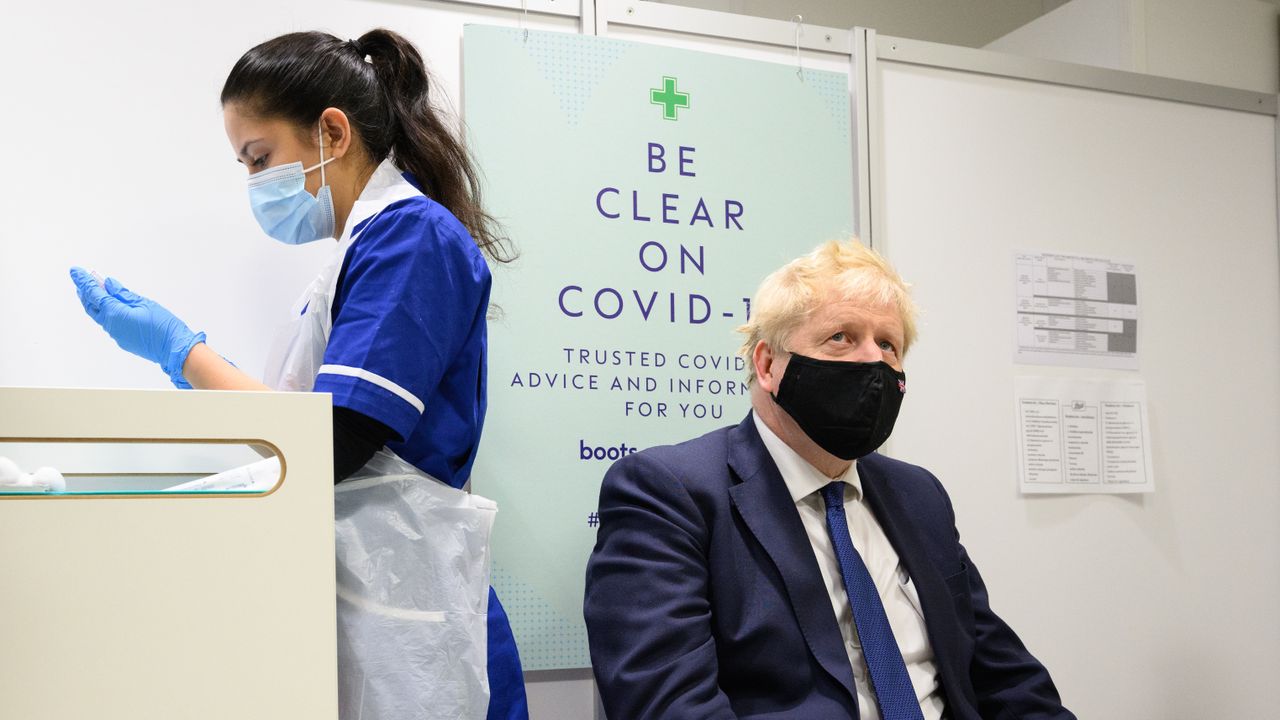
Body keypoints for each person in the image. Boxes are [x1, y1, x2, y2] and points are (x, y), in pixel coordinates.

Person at [69, 29, 528, 720]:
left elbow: (331, 440)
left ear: (332, 133)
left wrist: (183, 354)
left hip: (407, 617)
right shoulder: (353, 255)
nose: (254, 182)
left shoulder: (412, 238)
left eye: (260, 157)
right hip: (370, 599)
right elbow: (308, 429)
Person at [583, 240, 1075, 720]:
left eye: (889, 345)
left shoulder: (918, 495)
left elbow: (1002, 674)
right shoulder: (668, 492)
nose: (873, 361)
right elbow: (666, 703)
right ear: (768, 364)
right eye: (841, 337)